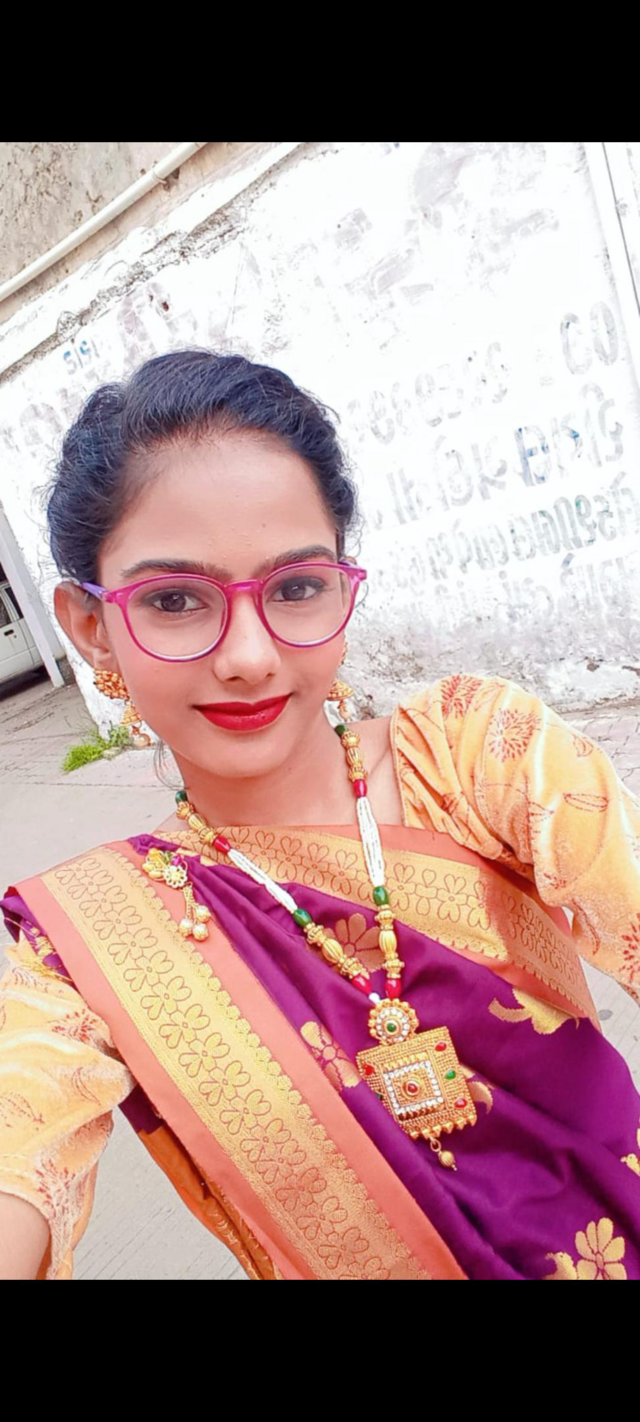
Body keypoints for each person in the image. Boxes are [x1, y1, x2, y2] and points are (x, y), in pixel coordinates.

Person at [1, 349, 640, 1282]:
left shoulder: (476, 757)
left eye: (296, 587)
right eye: (175, 600)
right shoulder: (84, 949)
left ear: (343, 586)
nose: (249, 657)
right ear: (91, 627)